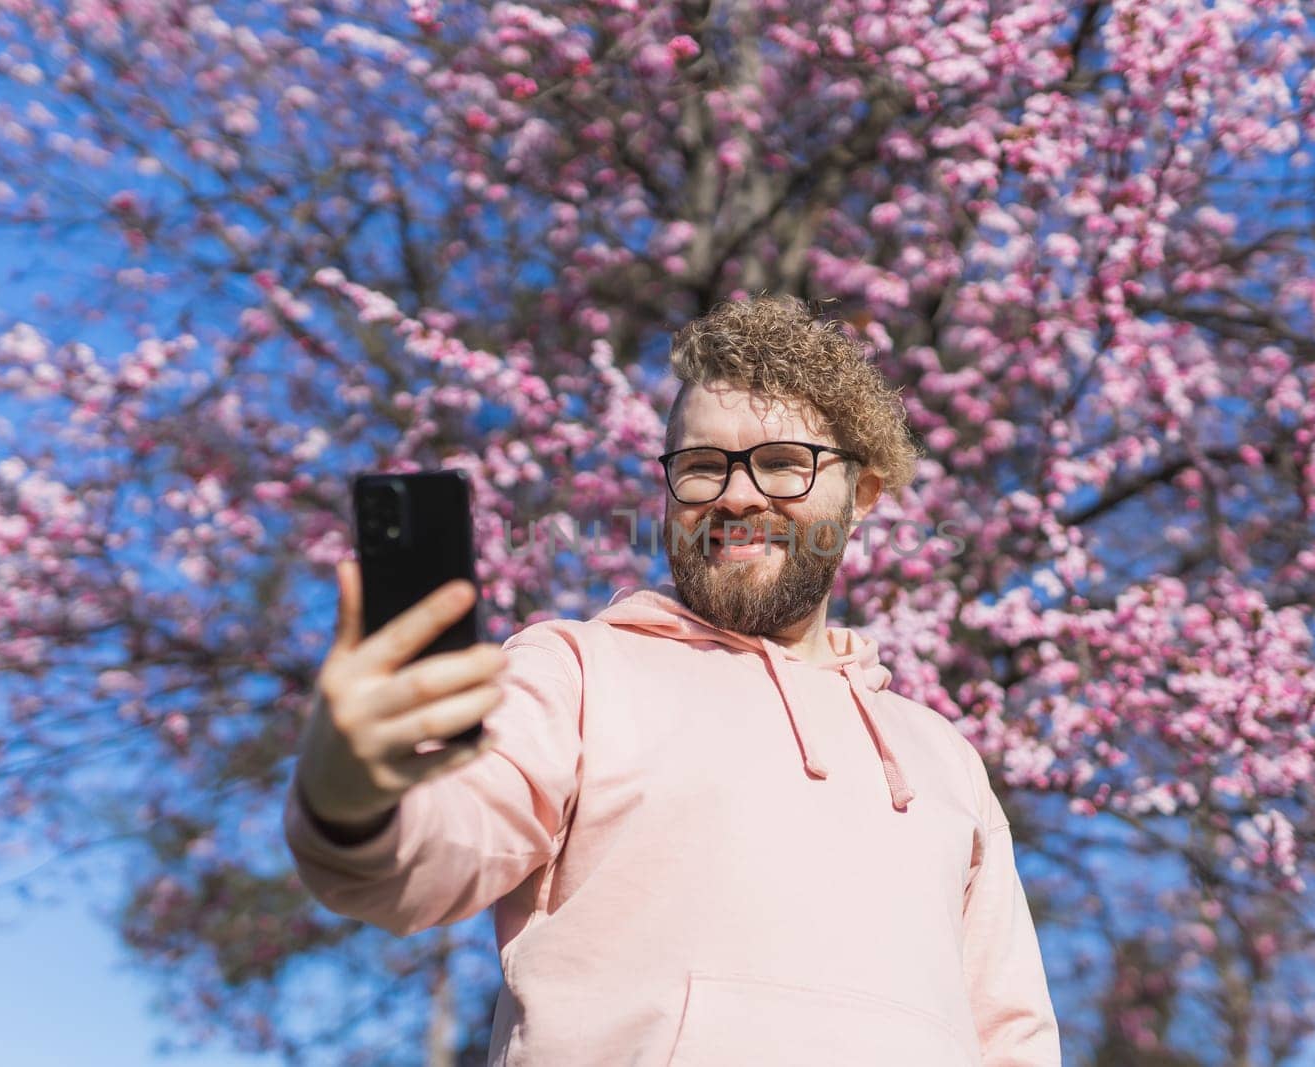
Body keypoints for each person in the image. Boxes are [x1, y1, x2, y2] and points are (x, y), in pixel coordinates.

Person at [283, 295, 1062, 1065]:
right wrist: (355, 796)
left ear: (860, 496)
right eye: (701, 466)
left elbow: (1014, 1036)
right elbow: (429, 855)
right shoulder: (576, 671)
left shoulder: (945, 759)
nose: (736, 495)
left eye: (785, 464)